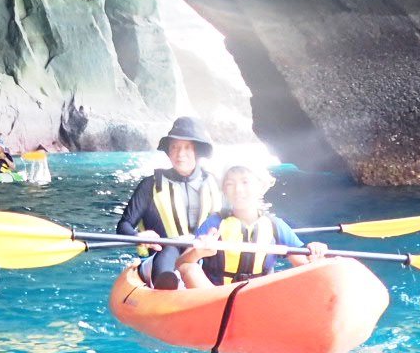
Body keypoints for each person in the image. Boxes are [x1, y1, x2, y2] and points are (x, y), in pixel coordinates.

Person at [177, 164, 327, 289]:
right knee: (189, 268)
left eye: (245, 182)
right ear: (224, 191)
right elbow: (181, 263)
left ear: (260, 187)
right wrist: (197, 253)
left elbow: (305, 266)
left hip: (257, 300)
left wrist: (315, 252)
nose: (238, 189)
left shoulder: (275, 226)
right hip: (215, 300)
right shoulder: (215, 223)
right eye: (230, 184)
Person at [116, 116, 220, 289]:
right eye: (174, 147)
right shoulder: (150, 185)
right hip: (161, 258)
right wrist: (136, 237)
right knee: (169, 250)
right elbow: (124, 225)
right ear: (168, 152)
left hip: (202, 255)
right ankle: (165, 288)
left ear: (197, 151)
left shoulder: (214, 184)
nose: (180, 154)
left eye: (187, 147)